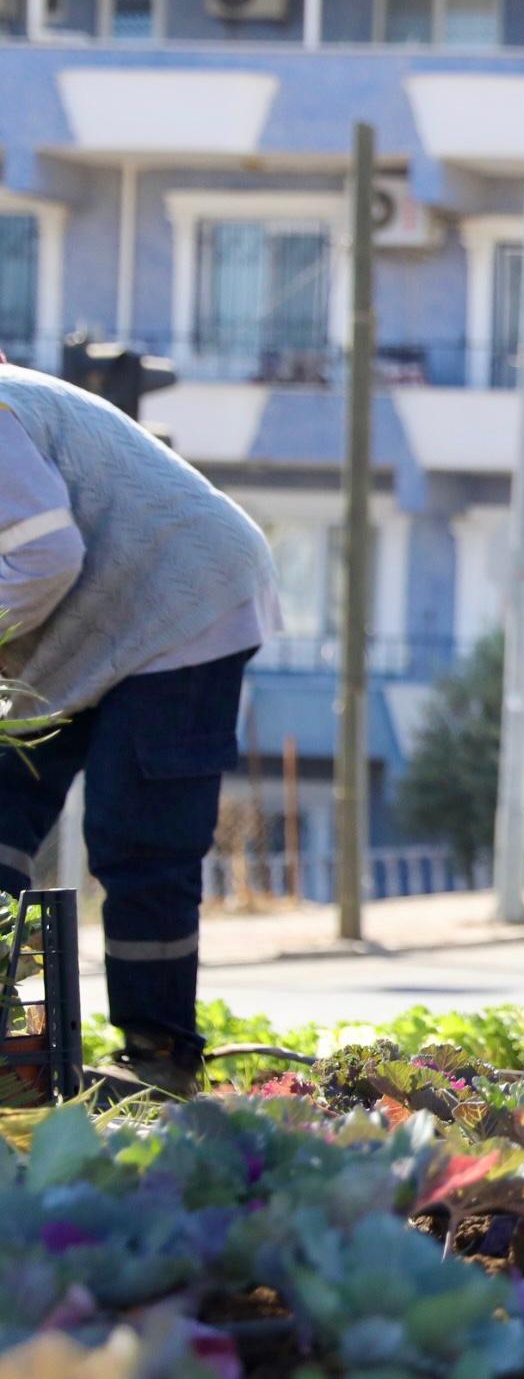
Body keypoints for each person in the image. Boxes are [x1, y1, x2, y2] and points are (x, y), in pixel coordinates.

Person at [0, 358, 279, 1095]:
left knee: (138, 835)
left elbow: (43, 554)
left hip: (178, 604)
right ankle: (13, 1047)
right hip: (81, 635)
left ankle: (159, 1056)